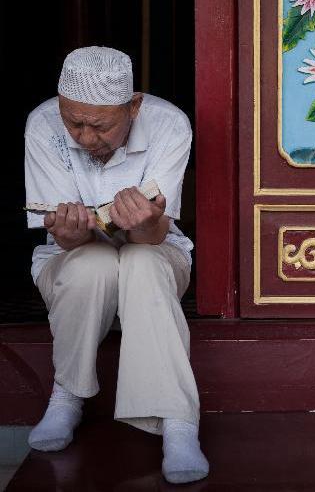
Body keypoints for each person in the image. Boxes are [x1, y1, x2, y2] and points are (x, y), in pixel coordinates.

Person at [23, 46, 209, 484]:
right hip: (72, 257)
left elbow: (152, 237)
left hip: (156, 251)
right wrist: (70, 231)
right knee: (92, 263)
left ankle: (178, 423)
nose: (86, 138)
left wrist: (143, 223)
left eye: (100, 126)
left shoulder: (168, 124)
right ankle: (67, 396)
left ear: (134, 106)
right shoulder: (42, 123)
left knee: (142, 263)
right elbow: (68, 241)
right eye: (74, 123)